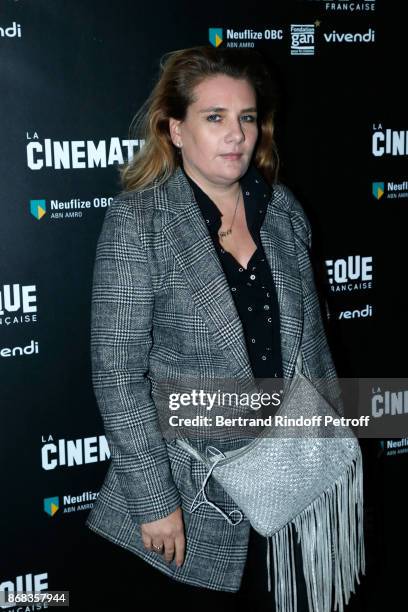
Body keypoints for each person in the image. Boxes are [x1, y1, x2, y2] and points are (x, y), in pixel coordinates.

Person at [85, 45, 347, 611]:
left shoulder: (283, 212)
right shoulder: (141, 222)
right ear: (176, 131)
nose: (236, 135)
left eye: (246, 118)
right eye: (215, 118)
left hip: (289, 483)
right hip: (192, 492)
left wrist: (332, 453)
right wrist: (155, 500)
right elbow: (118, 375)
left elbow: (313, 348)